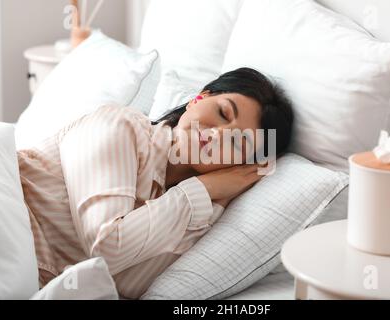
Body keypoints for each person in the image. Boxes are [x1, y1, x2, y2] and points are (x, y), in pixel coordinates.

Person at [18, 67, 294, 299]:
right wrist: (205, 189)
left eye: (236, 143)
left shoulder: (197, 211)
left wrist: (216, 200)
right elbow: (106, 249)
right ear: (198, 98)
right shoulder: (119, 126)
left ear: (239, 165)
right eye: (222, 113)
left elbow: (128, 284)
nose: (216, 136)